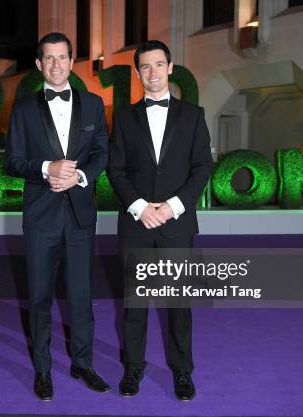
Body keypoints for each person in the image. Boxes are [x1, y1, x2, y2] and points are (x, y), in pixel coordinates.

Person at [4, 32, 110, 401]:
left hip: (81, 215)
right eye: (48, 58)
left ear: (71, 60)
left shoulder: (94, 105)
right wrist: (47, 167)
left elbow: (101, 155)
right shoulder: (22, 109)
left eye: (62, 57)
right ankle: (43, 369)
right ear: (38, 64)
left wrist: (80, 176)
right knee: (40, 297)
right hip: (40, 217)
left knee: (81, 295)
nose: (56, 64)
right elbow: (12, 162)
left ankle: (83, 363)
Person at [107, 40, 213, 401]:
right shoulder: (122, 117)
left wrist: (172, 207)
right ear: (137, 74)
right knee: (134, 303)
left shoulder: (194, 115)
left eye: (158, 65)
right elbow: (115, 169)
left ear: (170, 68)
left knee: (178, 304)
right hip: (136, 223)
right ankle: (133, 367)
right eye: (144, 67)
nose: (152, 72)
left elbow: (202, 167)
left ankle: (183, 371)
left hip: (176, 223)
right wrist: (140, 207)